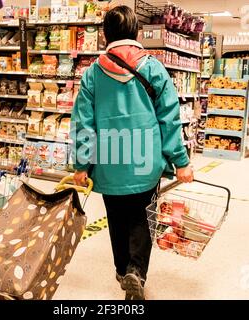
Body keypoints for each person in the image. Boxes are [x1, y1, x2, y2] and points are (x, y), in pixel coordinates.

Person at [70, 5, 194, 300]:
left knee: (116, 218)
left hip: (109, 162)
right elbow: (169, 118)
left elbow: (83, 123)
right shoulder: (153, 67)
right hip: (146, 161)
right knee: (142, 217)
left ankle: (121, 268)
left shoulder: (93, 74)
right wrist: (180, 161)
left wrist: (81, 165)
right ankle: (136, 271)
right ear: (137, 32)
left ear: (105, 34)